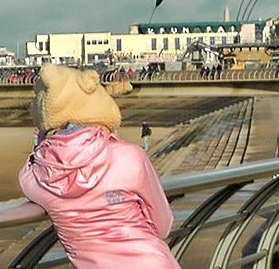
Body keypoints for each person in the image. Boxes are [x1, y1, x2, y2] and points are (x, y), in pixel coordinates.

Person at [19, 63, 180, 269]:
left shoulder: (38, 177)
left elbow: (28, 172)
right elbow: (163, 226)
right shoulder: (129, 156)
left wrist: (44, 141)